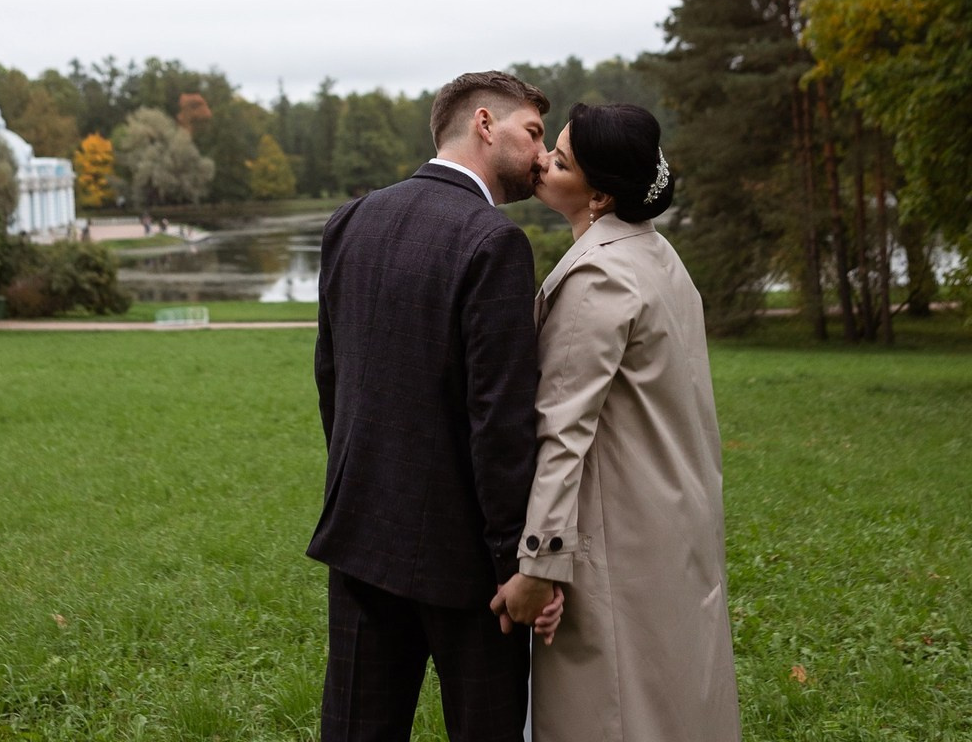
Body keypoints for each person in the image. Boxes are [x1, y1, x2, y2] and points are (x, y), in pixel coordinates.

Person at [307, 70, 560, 742]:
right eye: (534, 133)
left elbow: (333, 381)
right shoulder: (494, 241)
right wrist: (518, 568)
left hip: (359, 537)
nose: (542, 155)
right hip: (467, 568)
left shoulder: (351, 220)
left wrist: (354, 489)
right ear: (485, 123)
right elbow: (500, 422)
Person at [492, 103, 742, 742]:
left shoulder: (600, 275)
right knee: (675, 700)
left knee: (619, 712)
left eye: (560, 160)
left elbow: (563, 432)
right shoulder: (658, 255)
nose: (541, 161)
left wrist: (538, 566)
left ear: (600, 196)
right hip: (676, 522)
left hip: (623, 537)